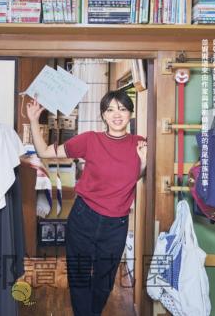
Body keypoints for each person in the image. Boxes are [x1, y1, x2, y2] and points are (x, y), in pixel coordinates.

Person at [26, 90, 147, 316]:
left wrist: (143, 163)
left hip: (116, 224)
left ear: (131, 113)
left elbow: (133, 177)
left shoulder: (139, 144)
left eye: (122, 109)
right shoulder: (90, 139)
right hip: (84, 217)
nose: (117, 114)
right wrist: (33, 120)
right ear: (103, 115)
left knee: (104, 282)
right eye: (110, 109)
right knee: (80, 277)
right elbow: (45, 152)